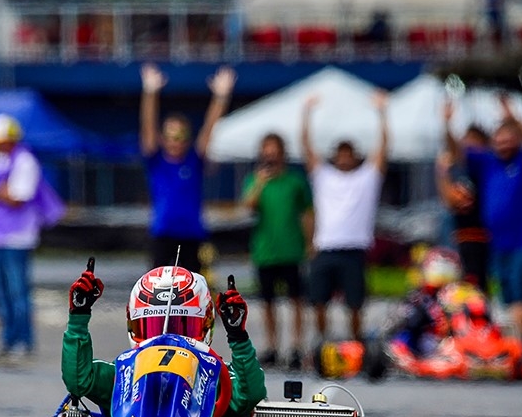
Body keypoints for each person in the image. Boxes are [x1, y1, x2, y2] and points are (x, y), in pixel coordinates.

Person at [62, 262, 266, 417]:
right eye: (153, 327)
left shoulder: (213, 373)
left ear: (206, 324)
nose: (166, 338)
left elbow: (251, 394)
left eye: (182, 327)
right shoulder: (124, 373)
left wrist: (238, 337)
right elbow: (78, 380)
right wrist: (78, 317)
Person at [445, 95, 522, 345]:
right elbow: (456, 152)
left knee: (521, 301)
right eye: (498, 141)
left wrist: (511, 115)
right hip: (500, 245)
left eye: (508, 140)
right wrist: (446, 124)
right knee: (514, 301)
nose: (503, 145)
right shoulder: (488, 162)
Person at [0, 114, 63, 358]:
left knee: (17, 291)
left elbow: (17, 198)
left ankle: (24, 340)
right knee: (0, 291)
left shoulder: (25, 161)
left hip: (18, 235)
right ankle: (8, 339)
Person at [302, 90, 389, 341]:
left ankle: (357, 344)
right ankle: (322, 343)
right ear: (335, 157)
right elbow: (307, 148)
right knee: (318, 301)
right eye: (340, 154)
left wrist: (382, 114)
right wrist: (306, 114)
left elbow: (383, 150)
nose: (344, 159)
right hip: (326, 248)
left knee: (355, 304)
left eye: (348, 154)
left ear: (355, 156)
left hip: (354, 249)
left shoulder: (367, 178)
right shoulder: (324, 177)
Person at [140, 63, 236, 272]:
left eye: (181, 136)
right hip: (163, 235)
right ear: (163, 138)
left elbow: (210, 128)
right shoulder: (156, 160)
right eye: (171, 136)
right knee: (159, 291)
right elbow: (148, 126)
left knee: (194, 291)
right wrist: (150, 92)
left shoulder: (194, 159)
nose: (176, 141)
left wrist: (221, 97)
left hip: (192, 235)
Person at [240, 132, 313, 370]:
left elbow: (307, 212)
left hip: (291, 249)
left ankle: (296, 347)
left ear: (282, 154)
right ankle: (272, 346)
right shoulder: (255, 179)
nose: (270, 156)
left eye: (274, 151)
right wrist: (260, 183)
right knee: (268, 301)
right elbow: (248, 206)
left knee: (296, 300)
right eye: (266, 151)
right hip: (265, 250)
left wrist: (310, 241)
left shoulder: (295, 181)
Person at [435, 112, 492, 293]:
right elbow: (449, 201)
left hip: (480, 234)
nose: (468, 144)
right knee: (460, 282)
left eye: (473, 140)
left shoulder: (484, 166)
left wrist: (447, 124)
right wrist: (442, 172)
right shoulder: (460, 172)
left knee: (477, 282)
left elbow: (455, 148)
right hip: (460, 233)